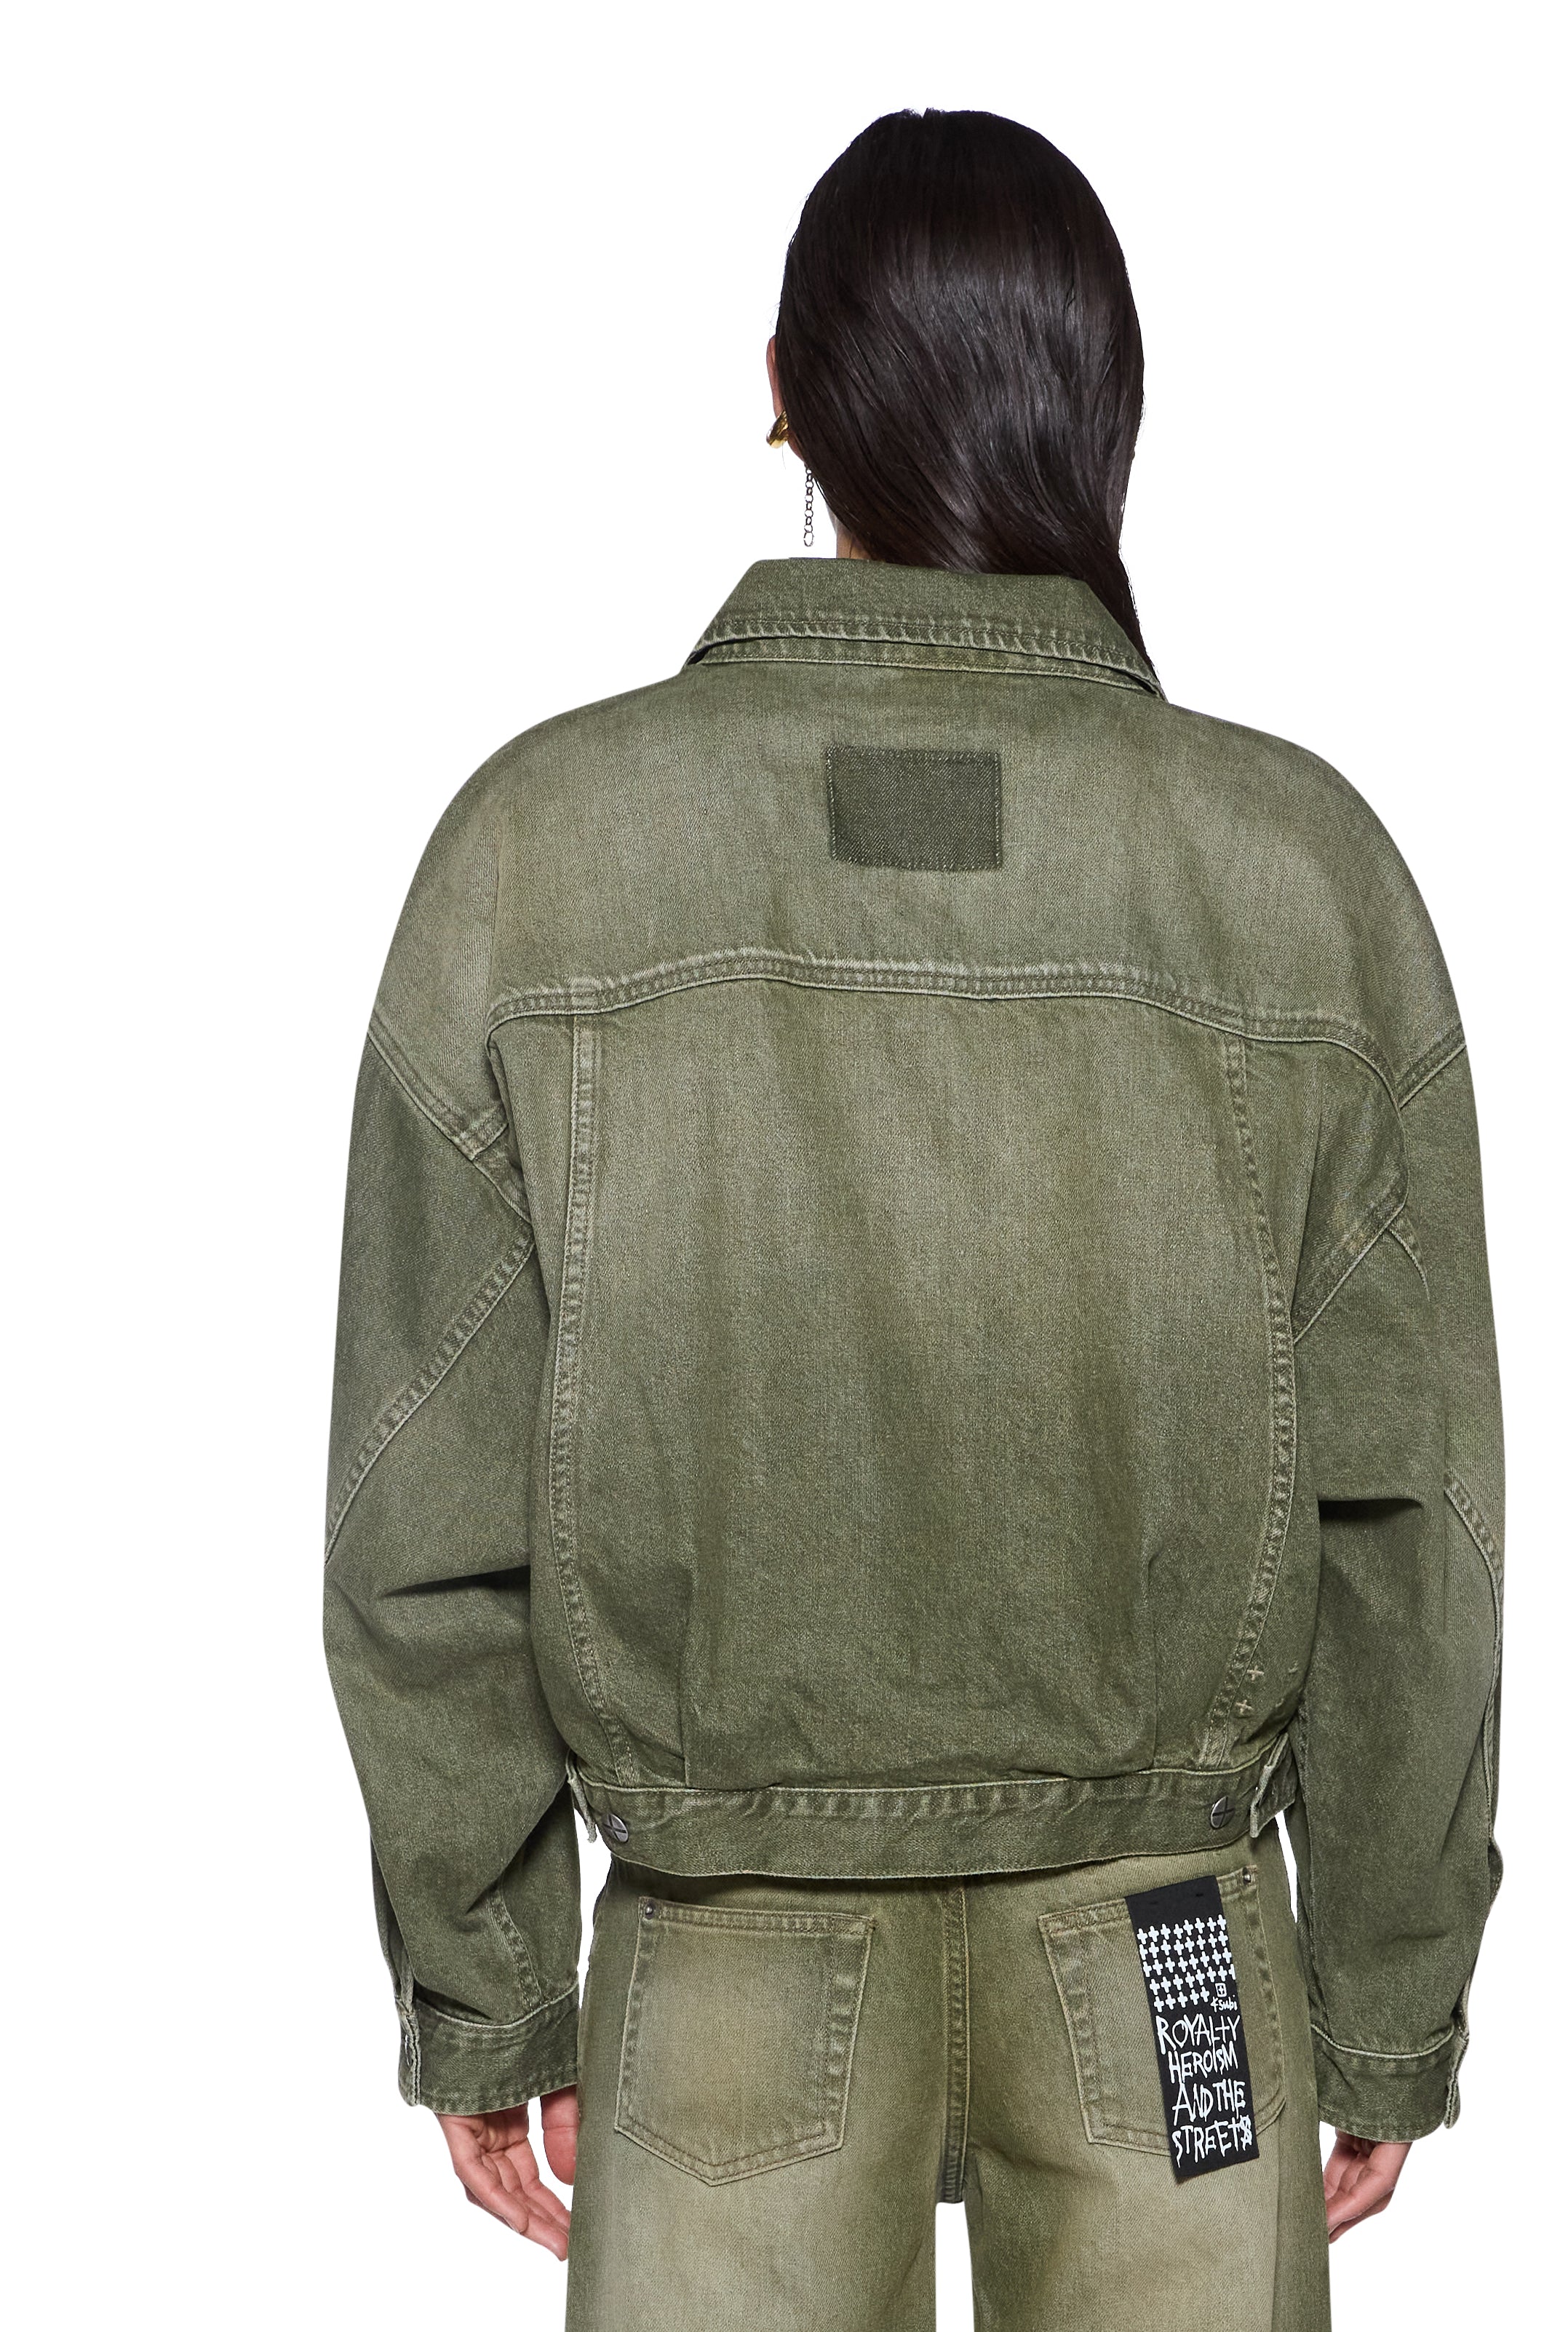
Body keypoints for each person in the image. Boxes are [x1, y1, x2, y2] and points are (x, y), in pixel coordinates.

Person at [324, 107, 1504, 2332]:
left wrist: (486, 1986)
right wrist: (1382, 1998)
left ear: (782, 390)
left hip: (722, 1965)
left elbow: (420, 1508)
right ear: (1107, 402)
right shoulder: (1298, 875)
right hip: (1169, 1955)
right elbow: (1409, 1521)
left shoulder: (539, 853)